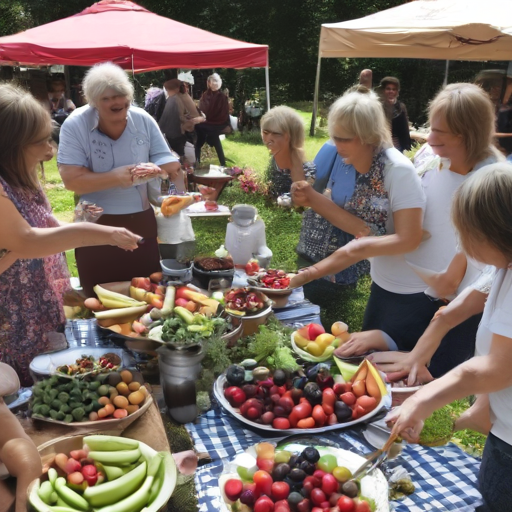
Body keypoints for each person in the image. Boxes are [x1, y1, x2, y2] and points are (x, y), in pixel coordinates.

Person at [320, 83, 502, 378]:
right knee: (372, 368)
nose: (429, 139)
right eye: (431, 129)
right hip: (402, 287)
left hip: (450, 304)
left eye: (440, 134)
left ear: (468, 134)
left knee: (416, 379)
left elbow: (485, 268)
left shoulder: (490, 181)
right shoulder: (431, 161)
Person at [386, 163, 512, 512]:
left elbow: (496, 369)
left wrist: (420, 401)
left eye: (465, 234)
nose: (461, 243)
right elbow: (455, 311)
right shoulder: (503, 264)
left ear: (495, 232)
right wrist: (417, 357)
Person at [0, 83, 141, 385]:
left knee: (46, 386)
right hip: (9, 319)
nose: (50, 150)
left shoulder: (22, 178)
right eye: (40, 142)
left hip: (35, 305)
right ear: (10, 146)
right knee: (15, 391)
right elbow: (28, 240)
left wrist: (84, 227)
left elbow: (48, 228)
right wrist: (106, 233)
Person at [290, 86, 426, 352]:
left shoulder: (397, 170)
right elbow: (362, 233)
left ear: (368, 136)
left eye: (344, 139)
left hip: (411, 290)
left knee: (392, 370)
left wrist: (358, 246)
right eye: (335, 138)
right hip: (384, 280)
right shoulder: (360, 162)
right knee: (367, 361)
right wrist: (308, 274)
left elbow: (409, 238)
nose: (337, 146)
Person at [58, 62, 180, 297]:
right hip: (94, 220)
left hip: (140, 219)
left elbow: (170, 163)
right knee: (98, 294)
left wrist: (156, 168)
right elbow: (71, 180)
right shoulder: (76, 123)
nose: (117, 102)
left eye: (122, 95)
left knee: (145, 293)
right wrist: (116, 177)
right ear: (93, 101)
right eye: (107, 98)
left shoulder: (142, 119)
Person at [260, 105, 316, 200]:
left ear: (289, 137)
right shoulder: (276, 156)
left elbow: (299, 202)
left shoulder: (300, 166)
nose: (268, 139)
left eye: (275, 134)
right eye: (265, 133)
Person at [195, 73, 231, 166]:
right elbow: (203, 109)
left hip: (218, 123)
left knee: (206, 133)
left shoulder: (221, 97)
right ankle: (199, 159)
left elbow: (222, 113)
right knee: (203, 133)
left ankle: (198, 160)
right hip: (210, 122)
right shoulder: (207, 95)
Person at [375, 76, 411, 153]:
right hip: (379, 147)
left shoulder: (401, 107)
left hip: (397, 148)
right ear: (383, 90)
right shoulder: (376, 106)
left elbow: (405, 130)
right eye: (388, 89)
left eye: (394, 89)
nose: (391, 91)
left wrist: (406, 147)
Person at [45, 77, 76, 144]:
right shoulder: (46, 102)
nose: (59, 93)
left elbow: (74, 116)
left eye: (61, 90)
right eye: (55, 91)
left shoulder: (67, 102)